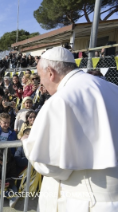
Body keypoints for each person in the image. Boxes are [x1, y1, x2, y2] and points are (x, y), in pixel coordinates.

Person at [21, 47, 118, 211]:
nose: (41, 84)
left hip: (85, 201)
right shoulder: (113, 88)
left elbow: (52, 167)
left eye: (40, 77)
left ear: (50, 73)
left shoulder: (60, 100)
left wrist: (26, 143)